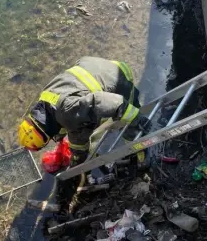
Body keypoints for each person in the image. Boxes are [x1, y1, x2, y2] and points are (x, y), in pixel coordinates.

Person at [17, 56, 143, 201]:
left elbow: (108, 104)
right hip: (97, 67)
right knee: (88, 117)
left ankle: (141, 155)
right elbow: (63, 114)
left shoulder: (69, 113)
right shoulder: (45, 98)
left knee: (129, 123)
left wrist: (76, 162)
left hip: (119, 78)